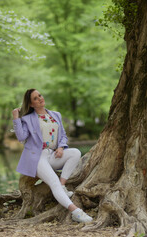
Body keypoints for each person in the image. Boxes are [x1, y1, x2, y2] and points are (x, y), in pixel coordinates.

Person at [12, 88, 93, 223]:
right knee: (53, 182)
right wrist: (16, 118)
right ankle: (76, 212)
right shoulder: (28, 119)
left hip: (53, 154)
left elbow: (63, 135)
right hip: (38, 157)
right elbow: (21, 137)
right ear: (31, 104)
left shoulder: (55, 115)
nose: (40, 99)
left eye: (40, 95)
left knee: (75, 153)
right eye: (35, 98)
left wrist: (61, 147)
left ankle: (62, 185)